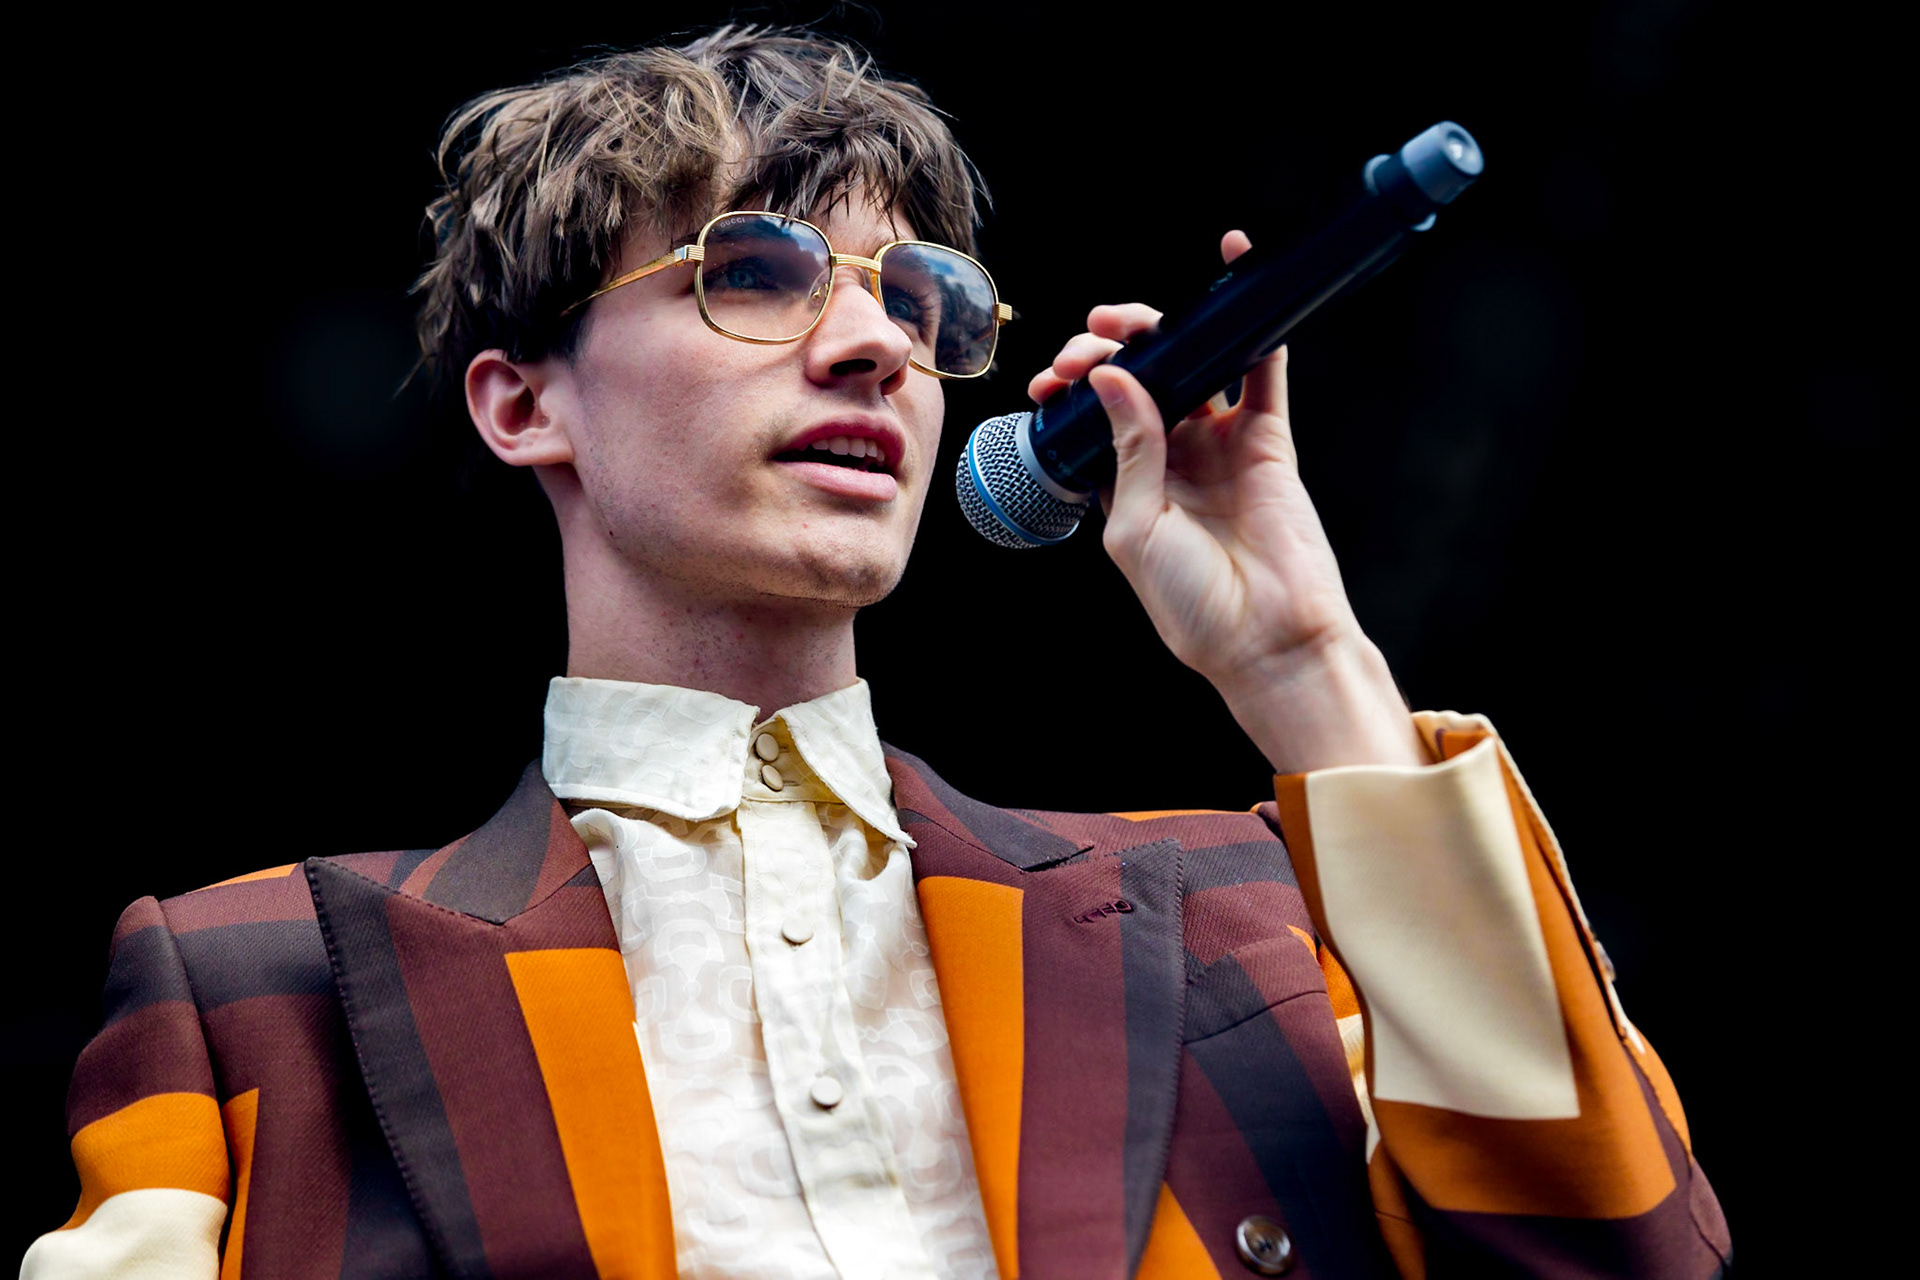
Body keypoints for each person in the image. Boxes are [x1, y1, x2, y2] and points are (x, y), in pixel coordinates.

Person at [24, 26, 1731, 1280]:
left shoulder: (1245, 917)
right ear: (523, 401)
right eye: (757, 273)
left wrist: (1301, 655)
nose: (873, 347)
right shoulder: (259, 994)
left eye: (918, 301)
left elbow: (1619, 1248)